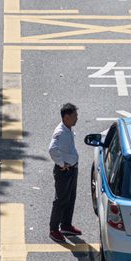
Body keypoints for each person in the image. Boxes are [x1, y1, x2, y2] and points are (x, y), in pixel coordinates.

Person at [48, 103, 82, 242]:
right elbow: (52, 149)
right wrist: (62, 164)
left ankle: (66, 225)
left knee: (70, 198)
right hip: (64, 171)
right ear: (66, 117)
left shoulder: (67, 129)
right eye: (75, 116)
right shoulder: (61, 132)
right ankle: (54, 229)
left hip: (72, 169)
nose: (77, 118)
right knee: (61, 200)